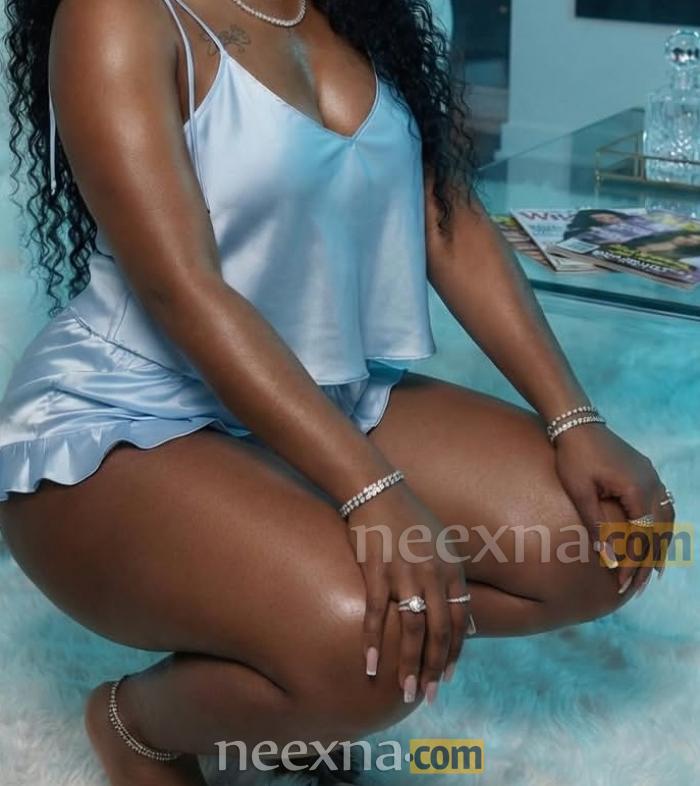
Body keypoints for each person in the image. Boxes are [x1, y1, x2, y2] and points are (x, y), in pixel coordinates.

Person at [0, 0, 675, 784]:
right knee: (363, 645)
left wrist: (574, 418)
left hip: (325, 399)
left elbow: (446, 219)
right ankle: (139, 723)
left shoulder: (358, 10)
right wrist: (372, 489)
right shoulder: (118, 15)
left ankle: (298, 661)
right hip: (125, 420)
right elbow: (184, 292)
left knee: (601, 543)